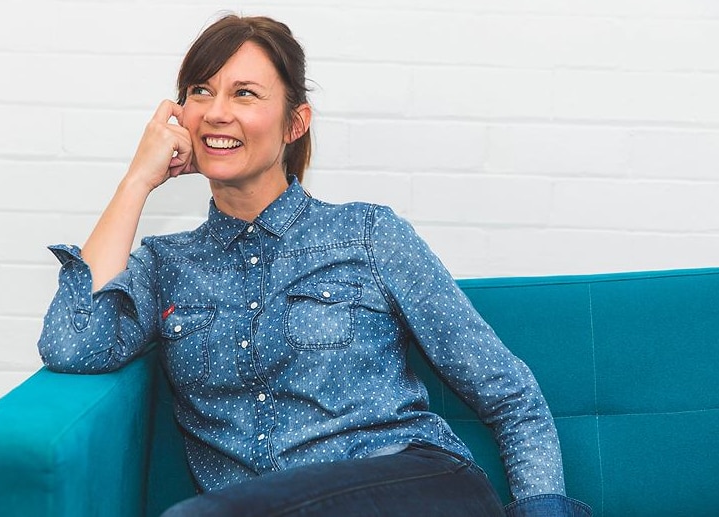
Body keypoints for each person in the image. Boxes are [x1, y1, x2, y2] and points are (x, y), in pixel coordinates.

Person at [37, 14, 591, 517]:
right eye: (200, 91)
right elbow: (74, 344)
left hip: (412, 483)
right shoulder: (166, 265)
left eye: (245, 93)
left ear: (294, 123)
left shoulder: (367, 233)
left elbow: (508, 392)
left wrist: (542, 510)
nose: (217, 111)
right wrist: (137, 181)